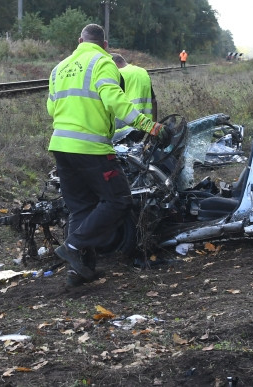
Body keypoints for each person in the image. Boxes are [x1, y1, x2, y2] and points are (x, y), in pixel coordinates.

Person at [47, 24, 168, 289]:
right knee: (118, 199)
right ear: (105, 44)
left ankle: (80, 271)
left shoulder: (59, 68)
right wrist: (151, 126)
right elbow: (115, 101)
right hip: (90, 148)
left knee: (81, 207)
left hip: (60, 146)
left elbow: (51, 107)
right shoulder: (103, 62)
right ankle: (73, 245)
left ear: (79, 40)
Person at [111, 53, 157, 131]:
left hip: (124, 128)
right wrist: (154, 126)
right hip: (145, 126)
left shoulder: (118, 74)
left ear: (114, 64)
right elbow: (154, 101)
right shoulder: (142, 72)